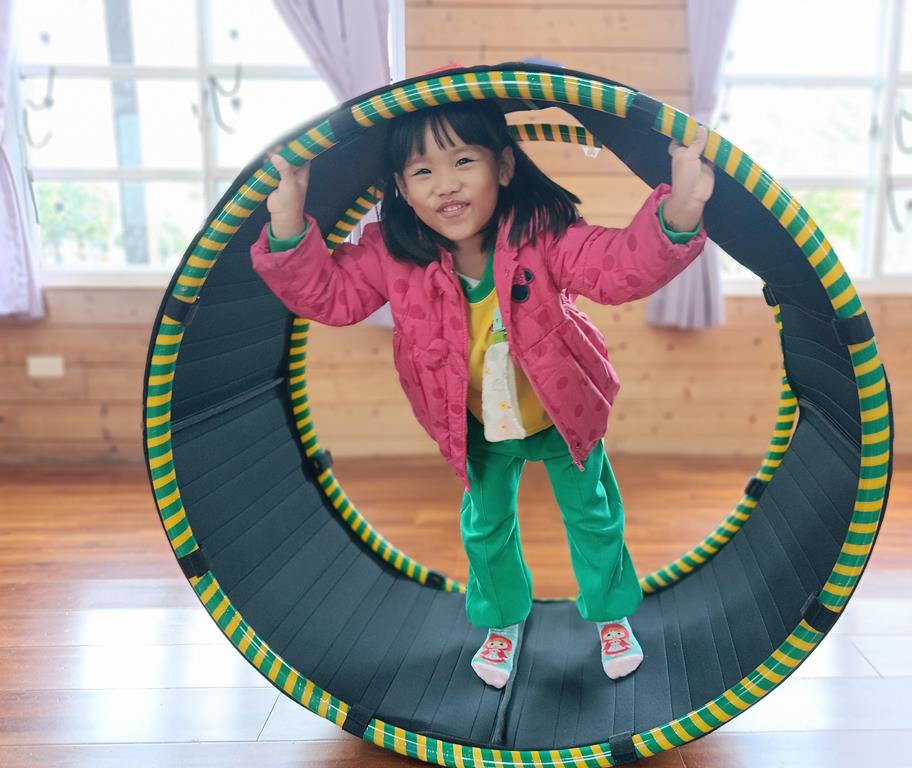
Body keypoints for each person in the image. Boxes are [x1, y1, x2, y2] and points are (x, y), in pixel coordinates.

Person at [250, 90, 713, 689]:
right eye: (423, 172)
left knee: (593, 516)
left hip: (561, 414)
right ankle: (501, 622)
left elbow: (618, 266)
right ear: (401, 188)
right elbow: (330, 297)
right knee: (486, 528)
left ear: (504, 166)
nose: (446, 185)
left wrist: (681, 208)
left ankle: (611, 616)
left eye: (463, 161)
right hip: (476, 426)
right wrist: (288, 219)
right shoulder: (392, 255)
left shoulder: (543, 236)